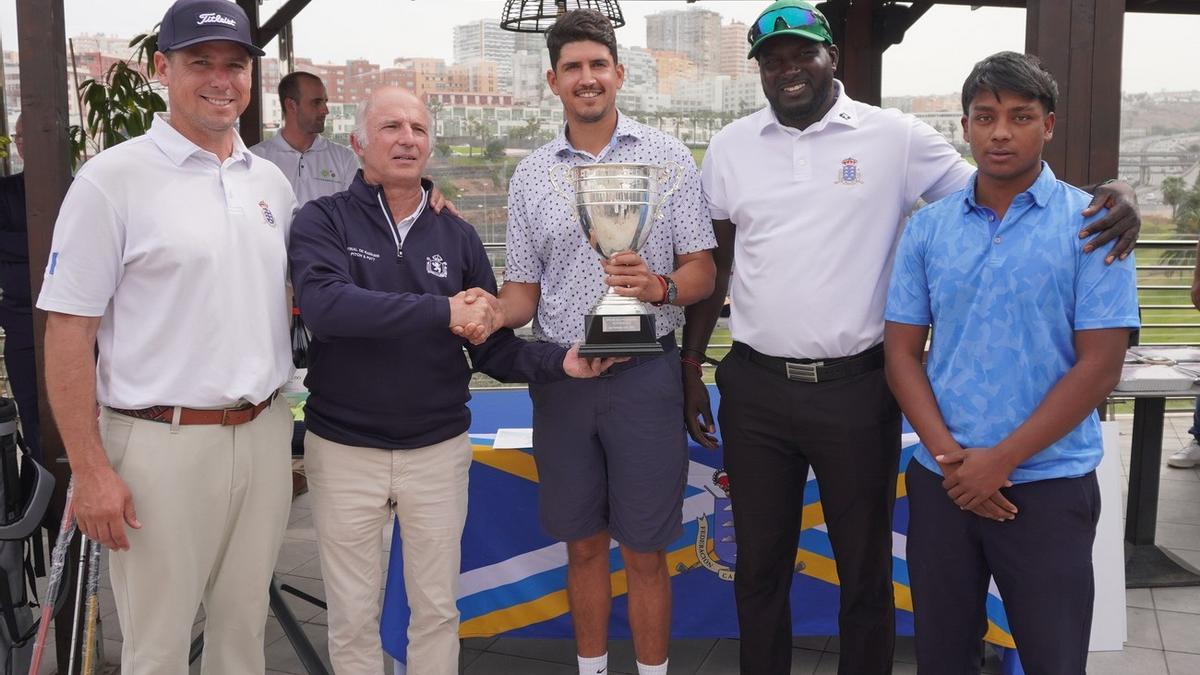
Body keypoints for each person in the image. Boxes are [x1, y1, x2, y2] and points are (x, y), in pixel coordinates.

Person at [682, 2, 1141, 673]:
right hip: (755, 387)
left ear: (830, 56)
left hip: (857, 388)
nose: (788, 69)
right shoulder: (729, 145)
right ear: (757, 69)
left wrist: (1111, 191)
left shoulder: (893, 136)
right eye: (772, 59)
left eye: (801, 53)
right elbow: (717, 262)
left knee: (864, 573)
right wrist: (692, 361)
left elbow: (997, 189)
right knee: (758, 569)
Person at [287, 85, 616, 675]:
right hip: (343, 450)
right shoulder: (321, 219)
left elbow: (489, 345)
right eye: (390, 127)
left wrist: (559, 361)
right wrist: (442, 310)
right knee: (353, 615)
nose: (406, 139)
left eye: (417, 128)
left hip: (436, 451)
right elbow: (328, 308)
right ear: (359, 142)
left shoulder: (457, 235)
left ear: (430, 144)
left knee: (437, 610)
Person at [36, 1, 296, 672]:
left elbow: (300, 295)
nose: (220, 79)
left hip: (264, 435)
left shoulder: (270, 181)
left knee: (243, 640)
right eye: (199, 63)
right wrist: (90, 470)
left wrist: (423, 196)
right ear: (162, 68)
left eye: (234, 64)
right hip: (159, 447)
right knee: (157, 648)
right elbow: (68, 331)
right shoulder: (110, 181)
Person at [884, 51, 1139, 674]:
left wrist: (1001, 460)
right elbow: (901, 352)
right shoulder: (928, 229)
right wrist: (952, 460)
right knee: (943, 657)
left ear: (1047, 125)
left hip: (1049, 483)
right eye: (985, 116)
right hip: (944, 480)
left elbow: (1100, 367)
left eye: (1020, 116)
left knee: (1053, 657)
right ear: (965, 126)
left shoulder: (1094, 225)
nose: (1001, 131)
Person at [493, 10, 716, 675]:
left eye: (597, 65)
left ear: (618, 73)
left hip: (645, 378)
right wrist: (479, 309)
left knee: (646, 550)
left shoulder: (669, 157)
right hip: (564, 377)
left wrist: (659, 288)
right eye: (572, 69)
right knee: (584, 546)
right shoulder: (531, 174)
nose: (586, 79)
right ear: (553, 81)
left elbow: (702, 270)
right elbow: (522, 294)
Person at [250, 71, 359, 206]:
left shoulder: (344, 158)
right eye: (316, 102)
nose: (325, 110)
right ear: (291, 105)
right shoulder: (255, 159)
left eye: (325, 102)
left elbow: (352, 214)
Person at [0, 115, 38, 457]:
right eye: (18, 136)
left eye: (29, 135)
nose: (22, 142)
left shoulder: (78, 189)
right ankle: (41, 506)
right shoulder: (4, 192)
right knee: (31, 418)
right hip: (20, 325)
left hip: (88, 330)